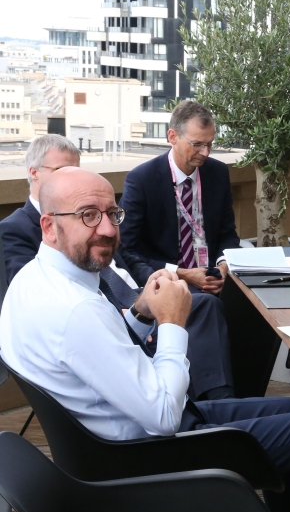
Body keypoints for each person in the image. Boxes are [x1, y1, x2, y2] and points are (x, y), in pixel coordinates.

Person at [0, 167, 290, 512]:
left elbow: (96, 356)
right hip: (144, 458)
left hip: (108, 442)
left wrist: (139, 313)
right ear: (48, 226)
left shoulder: (34, 281)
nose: (106, 229)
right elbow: (164, 416)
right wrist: (171, 323)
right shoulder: (74, 309)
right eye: (86, 215)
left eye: (111, 214)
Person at [0, 135, 234, 400]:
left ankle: (219, 401)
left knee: (210, 305)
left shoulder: (101, 219)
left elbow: (129, 261)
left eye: (76, 170)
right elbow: (42, 296)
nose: (105, 228)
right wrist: (123, 316)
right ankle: (214, 412)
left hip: (136, 298)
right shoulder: (15, 230)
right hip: (103, 318)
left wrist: (161, 280)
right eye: (61, 170)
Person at [120, 100, 239, 291]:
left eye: (209, 144)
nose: (205, 152)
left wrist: (223, 266)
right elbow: (126, 249)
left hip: (213, 279)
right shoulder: (142, 179)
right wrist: (181, 273)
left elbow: (228, 234)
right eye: (197, 144)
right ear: (172, 136)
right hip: (167, 282)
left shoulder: (218, 173)